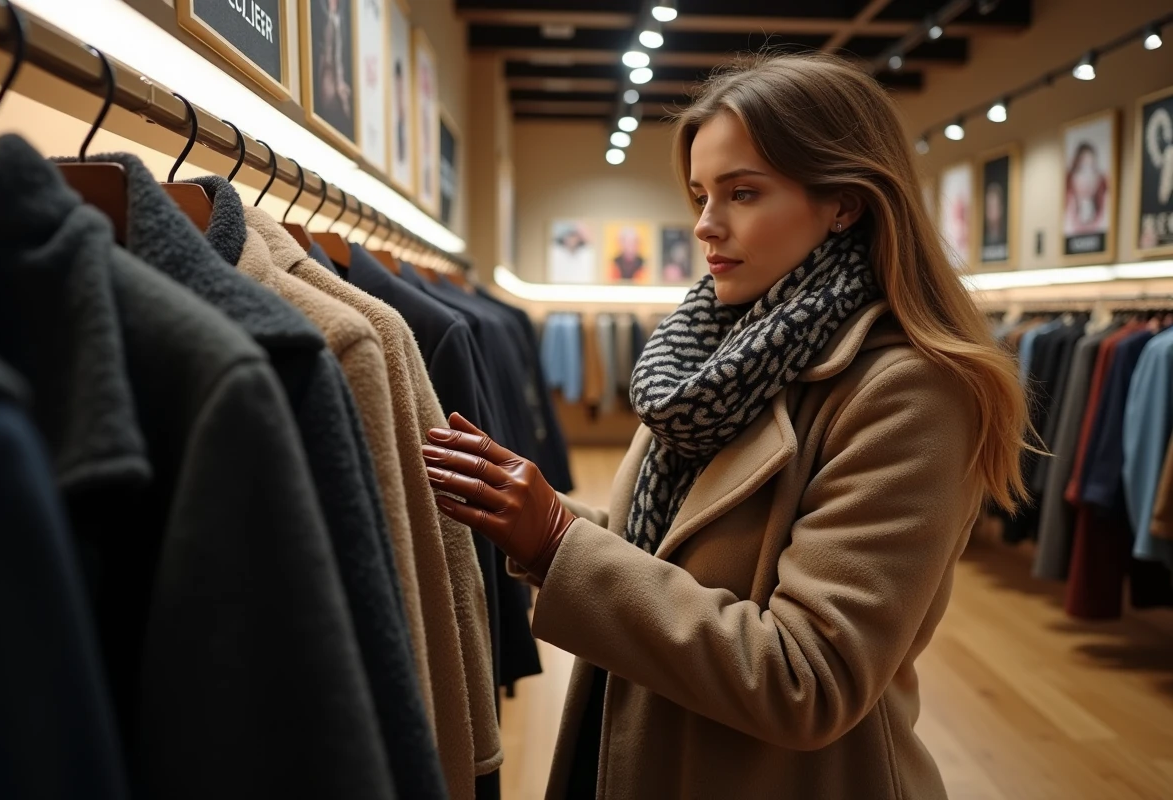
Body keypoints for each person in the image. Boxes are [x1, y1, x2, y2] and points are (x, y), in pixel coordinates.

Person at [422, 53, 1028, 799]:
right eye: (701, 194)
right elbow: (671, 551)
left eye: (742, 193)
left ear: (844, 202)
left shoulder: (909, 388)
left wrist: (557, 541)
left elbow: (810, 678)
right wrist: (533, 518)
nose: (706, 227)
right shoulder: (704, 360)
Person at [1064, 142, 1109, 235]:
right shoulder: (1064, 216)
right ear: (1072, 175)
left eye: (1092, 169)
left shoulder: (1107, 213)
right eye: (1081, 169)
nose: (1087, 178)